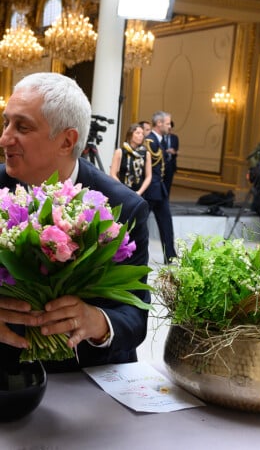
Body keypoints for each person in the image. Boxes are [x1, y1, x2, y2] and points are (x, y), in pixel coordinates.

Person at [0, 72, 150, 371]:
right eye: (6, 123)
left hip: (85, 376)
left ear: (67, 141)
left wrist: (97, 322)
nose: (4, 138)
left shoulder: (123, 207)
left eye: (22, 127)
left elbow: (134, 316)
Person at [143, 111, 177, 264]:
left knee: (166, 223)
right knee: (140, 223)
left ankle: (170, 256)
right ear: (159, 124)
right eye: (168, 123)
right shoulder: (150, 141)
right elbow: (153, 167)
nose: (170, 126)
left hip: (160, 189)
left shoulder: (161, 140)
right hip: (151, 190)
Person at [110, 123, 152, 196]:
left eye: (142, 134)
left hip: (139, 193)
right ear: (130, 135)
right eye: (137, 133)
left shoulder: (146, 154)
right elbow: (113, 174)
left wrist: (139, 192)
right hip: (122, 191)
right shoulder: (120, 152)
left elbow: (148, 176)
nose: (141, 135)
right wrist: (123, 189)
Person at [163, 120, 179, 195]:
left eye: (170, 128)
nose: (169, 130)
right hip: (162, 164)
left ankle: (165, 202)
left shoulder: (175, 138)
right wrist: (166, 151)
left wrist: (174, 152)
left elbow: (176, 150)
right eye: (168, 128)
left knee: (168, 185)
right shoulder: (161, 138)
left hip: (171, 165)